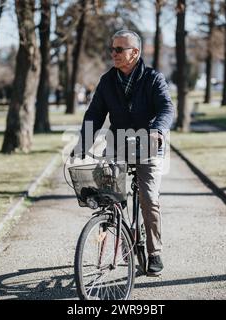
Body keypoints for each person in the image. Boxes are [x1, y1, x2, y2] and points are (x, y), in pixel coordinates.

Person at [71, 30, 175, 276]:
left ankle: (154, 252)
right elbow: (95, 114)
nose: (113, 54)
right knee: (107, 194)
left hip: (149, 144)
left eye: (119, 49)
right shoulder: (108, 80)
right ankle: (116, 221)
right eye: (112, 49)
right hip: (118, 144)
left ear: (135, 53)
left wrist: (158, 130)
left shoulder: (153, 78)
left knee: (149, 199)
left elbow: (166, 107)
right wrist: (82, 144)